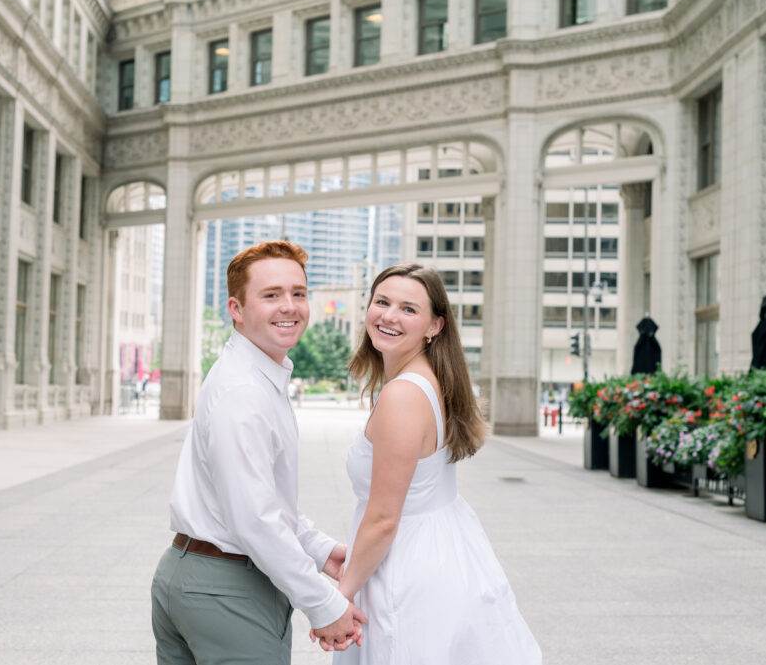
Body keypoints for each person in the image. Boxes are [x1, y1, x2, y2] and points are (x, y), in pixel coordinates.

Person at [151, 240, 366, 665]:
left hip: (194, 574)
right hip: (228, 590)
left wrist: (322, 551)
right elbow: (255, 521)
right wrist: (326, 605)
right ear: (236, 309)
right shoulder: (244, 391)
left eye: (298, 293)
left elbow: (263, 501)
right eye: (271, 295)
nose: (289, 306)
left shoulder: (252, 373)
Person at [319, 263, 542, 664]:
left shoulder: (403, 396)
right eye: (382, 301)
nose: (389, 315)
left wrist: (339, 599)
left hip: (406, 568)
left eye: (408, 309)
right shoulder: (427, 380)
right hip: (439, 551)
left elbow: (384, 517)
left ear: (434, 326)